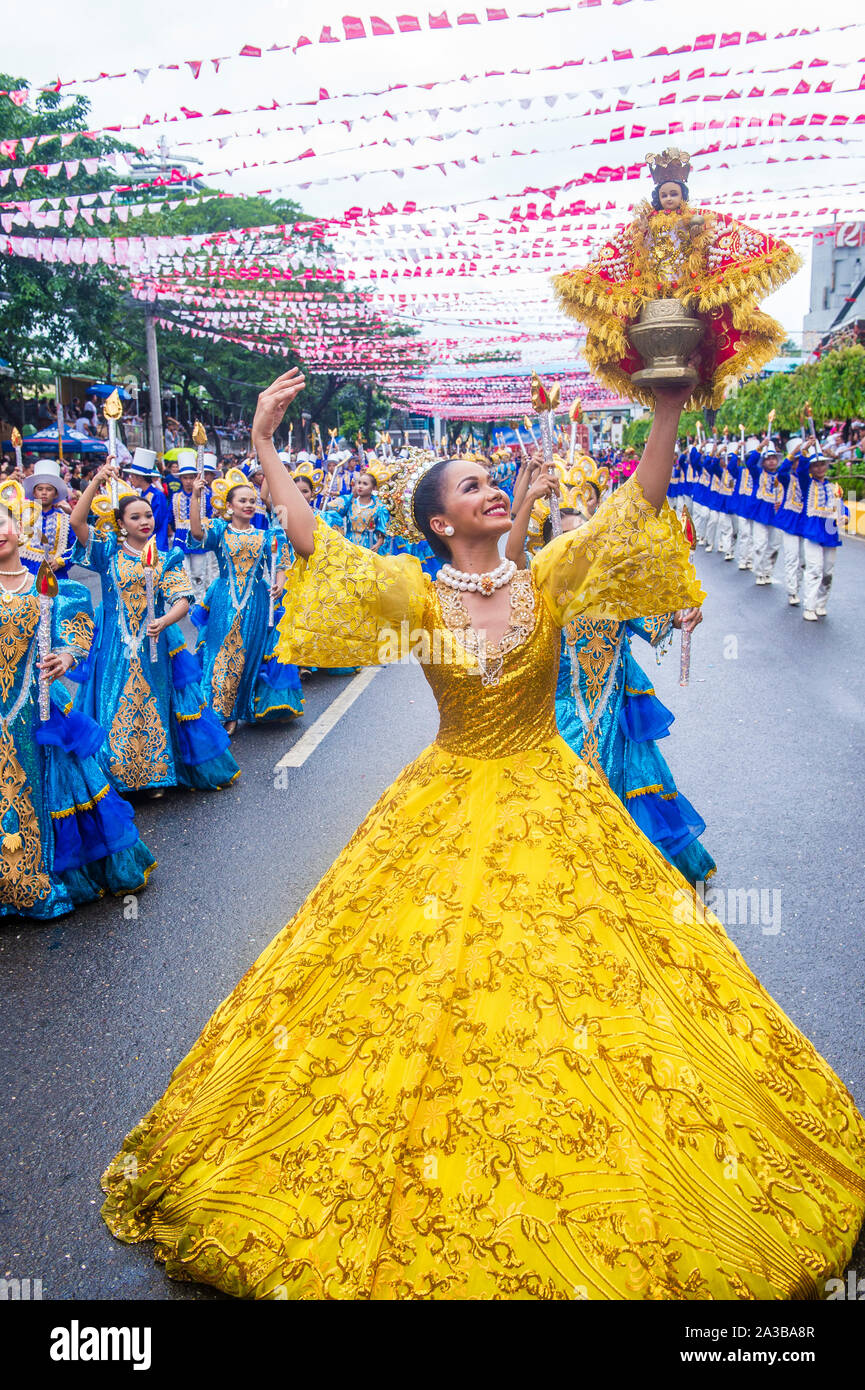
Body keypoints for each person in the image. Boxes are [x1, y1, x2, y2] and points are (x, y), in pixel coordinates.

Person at [98, 367, 865, 1301]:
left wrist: (666, 405)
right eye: (468, 485)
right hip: (447, 800)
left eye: (490, 479)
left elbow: (638, 503)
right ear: (436, 522)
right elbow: (315, 542)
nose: (490, 488)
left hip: (558, 802)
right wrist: (261, 446)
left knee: (604, 994)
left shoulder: (548, 576)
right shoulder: (415, 599)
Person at [0, 478, 155, 921]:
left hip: (38, 711)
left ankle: (43, 874)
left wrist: (67, 654)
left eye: (2, 524)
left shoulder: (50, 589)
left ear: (19, 527)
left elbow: (76, 629)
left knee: (48, 784)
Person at [552, 147, 800, 409]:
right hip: (654, 289)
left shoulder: (694, 219)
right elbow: (622, 249)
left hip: (685, 284)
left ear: (683, 195)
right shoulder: (643, 225)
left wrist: (697, 234)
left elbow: (715, 240)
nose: (669, 199)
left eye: (674, 193)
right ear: (657, 198)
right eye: (664, 194)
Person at [69, 462, 240, 798]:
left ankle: (153, 776)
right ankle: (116, 774)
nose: (144, 521)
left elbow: (182, 599)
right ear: (120, 523)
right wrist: (95, 482)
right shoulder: (106, 554)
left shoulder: (166, 558)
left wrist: (164, 621)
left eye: (147, 515)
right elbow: (76, 521)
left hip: (154, 644)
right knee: (114, 701)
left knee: (153, 701)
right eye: (135, 517)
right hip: (114, 645)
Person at [188, 467, 303, 736]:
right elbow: (195, 532)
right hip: (224, 601)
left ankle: (236, 712)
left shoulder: (267, 536)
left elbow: (282, 565)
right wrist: (195, 497)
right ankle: (215, 710)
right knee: (219, 655)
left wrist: (280, 583)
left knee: (246, 658)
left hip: (257, 602)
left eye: (252, 501)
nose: (249, 505)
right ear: (229, 506)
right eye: (242, 501)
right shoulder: (219, 531)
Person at [797, 450, 844, 621]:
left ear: (827, 465)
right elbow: (801, 470)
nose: (819, 468)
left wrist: (844, 516)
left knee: (827, 571)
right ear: (811, 468)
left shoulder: (835, 488)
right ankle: (809, 607)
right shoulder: (807, 483)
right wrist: (804, 450)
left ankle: (821, 604)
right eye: (815, 465)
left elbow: (841, 507)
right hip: (812, 532)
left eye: (822, 464)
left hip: (830, 532)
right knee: (814, 569)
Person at [21, 459, 73, 576]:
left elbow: (76, 548)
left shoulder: (65, 520)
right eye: (40, 489)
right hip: (27, 575)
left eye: (49, 489)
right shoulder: (24, 516)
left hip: (55, 576)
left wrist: (61, 561)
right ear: (34, 493)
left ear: (55, 494)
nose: (44, 493)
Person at [750, 445, 786, 586]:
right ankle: (759, 572)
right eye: (768, 459)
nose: (771, 461)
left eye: (774, 459)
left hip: (777, 516)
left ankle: (768, 572)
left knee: (774, 546)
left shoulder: (784, 476)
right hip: (761, 515)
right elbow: (751, 463)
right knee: (759, 545)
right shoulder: (758, 474)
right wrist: (760, 446)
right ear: (763, 462)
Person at [124, 449, 170, 552]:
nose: (131, 479)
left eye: (132, 476)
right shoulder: (140, 494)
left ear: (139, 477)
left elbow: (156, 521)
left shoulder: (157, 495)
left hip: (156, 542)